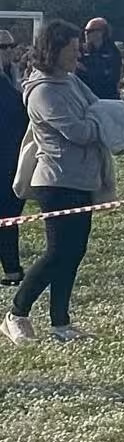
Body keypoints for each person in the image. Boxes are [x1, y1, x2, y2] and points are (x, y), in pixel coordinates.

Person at [3, 21, 108, 344]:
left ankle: (60, 322)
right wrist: (98, 123)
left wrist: (97, 119)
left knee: (75, 251)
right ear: (54, 49)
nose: (77, 54)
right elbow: (78, 131)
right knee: (57, 252)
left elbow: (98, 107)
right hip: (56, 181)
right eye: (72, 49)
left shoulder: (72, 82)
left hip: (82, 178)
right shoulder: (43, 90)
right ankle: (16, 314)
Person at [0, 31, 25, 286]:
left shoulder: (13, 78)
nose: (8, 51)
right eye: (3, 46)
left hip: (12, 155)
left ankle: (12, 268)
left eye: (10, 45)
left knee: (10, 215)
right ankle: (12, 269)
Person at [76, 17, 122, 101]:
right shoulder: (81, 50)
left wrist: (85, 70)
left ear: (101, 32)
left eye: (90, 31)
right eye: (85, 31)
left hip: (106, 99)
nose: (86, 34)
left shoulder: (112, 52)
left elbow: (109, 79)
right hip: (85, 99)